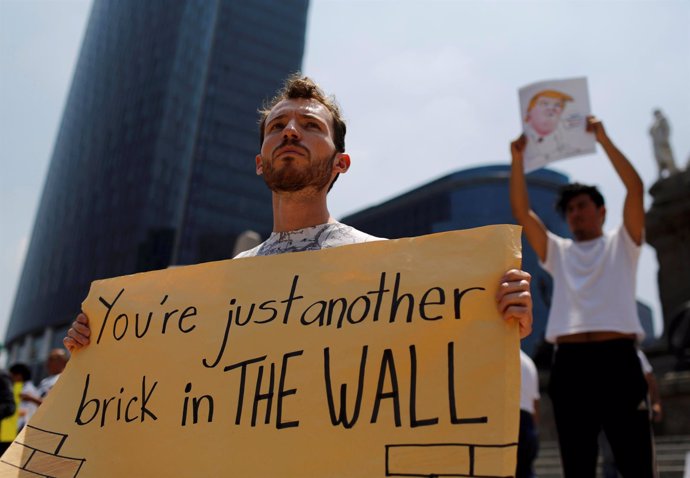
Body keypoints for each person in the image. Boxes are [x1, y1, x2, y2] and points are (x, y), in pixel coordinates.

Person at [65, 74, 533, 357]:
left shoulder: (390, 270)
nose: (290, 131)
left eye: (311, 126)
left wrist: (496, 317)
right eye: (277, 127)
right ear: (260, 160)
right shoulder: (221, 288)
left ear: (340, 162)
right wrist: (103, 346)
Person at [510, 116, 655, 477]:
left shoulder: (623, 243)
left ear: (601, 211)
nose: (575, 214)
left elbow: (635, 189)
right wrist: (517, 160)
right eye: (570, 210)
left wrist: (603, 139)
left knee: (635, 460)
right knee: (578, 463)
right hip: (571, 364)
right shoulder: (559, 252)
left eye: (582, 207)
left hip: (619, 358)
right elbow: (522, 214)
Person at [516, 350, 540, 478]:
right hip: (527, 421)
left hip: (508, 419)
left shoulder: (498, 356)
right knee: (526, 471)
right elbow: (535, 402)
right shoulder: (528, 362)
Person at [8, 363, 39, 432]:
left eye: (12, 376)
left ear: (19, 376)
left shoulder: (28, 390)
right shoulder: (21, 387)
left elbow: (26, 411)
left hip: (22, 426)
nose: (11, 379)